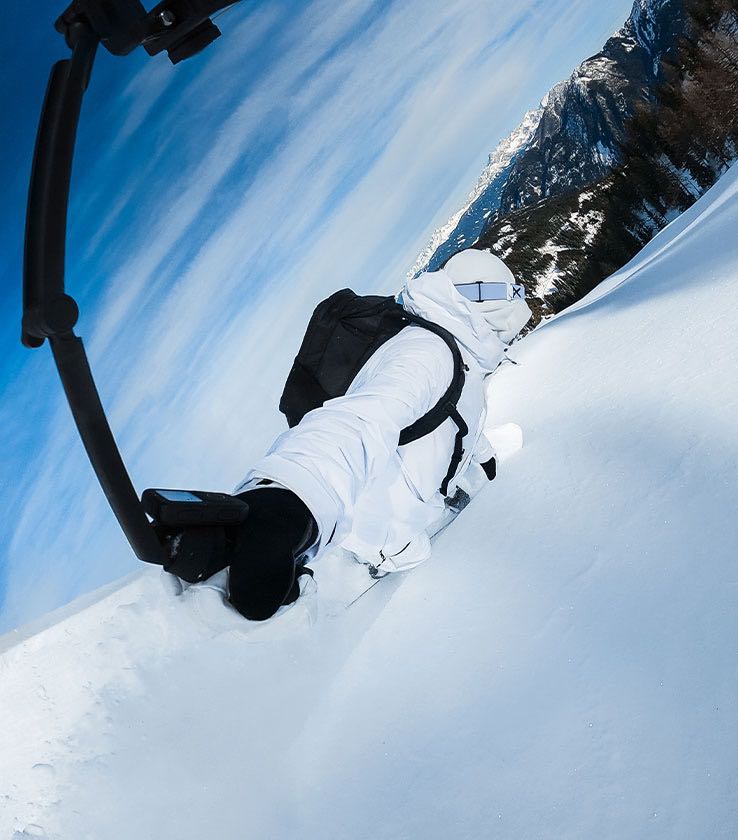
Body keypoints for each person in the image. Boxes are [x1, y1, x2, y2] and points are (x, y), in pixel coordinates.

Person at [167, 248, 532, 620]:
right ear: (485, 299)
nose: (517, 300)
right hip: (382, 534)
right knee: (413, 554)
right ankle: (364, 565)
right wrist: (286, 504)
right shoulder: (428, 354)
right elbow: (357, 423)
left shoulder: (456, 351)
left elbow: (451, 419)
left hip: (412, 499)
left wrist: (481, 453)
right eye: (511, 292)